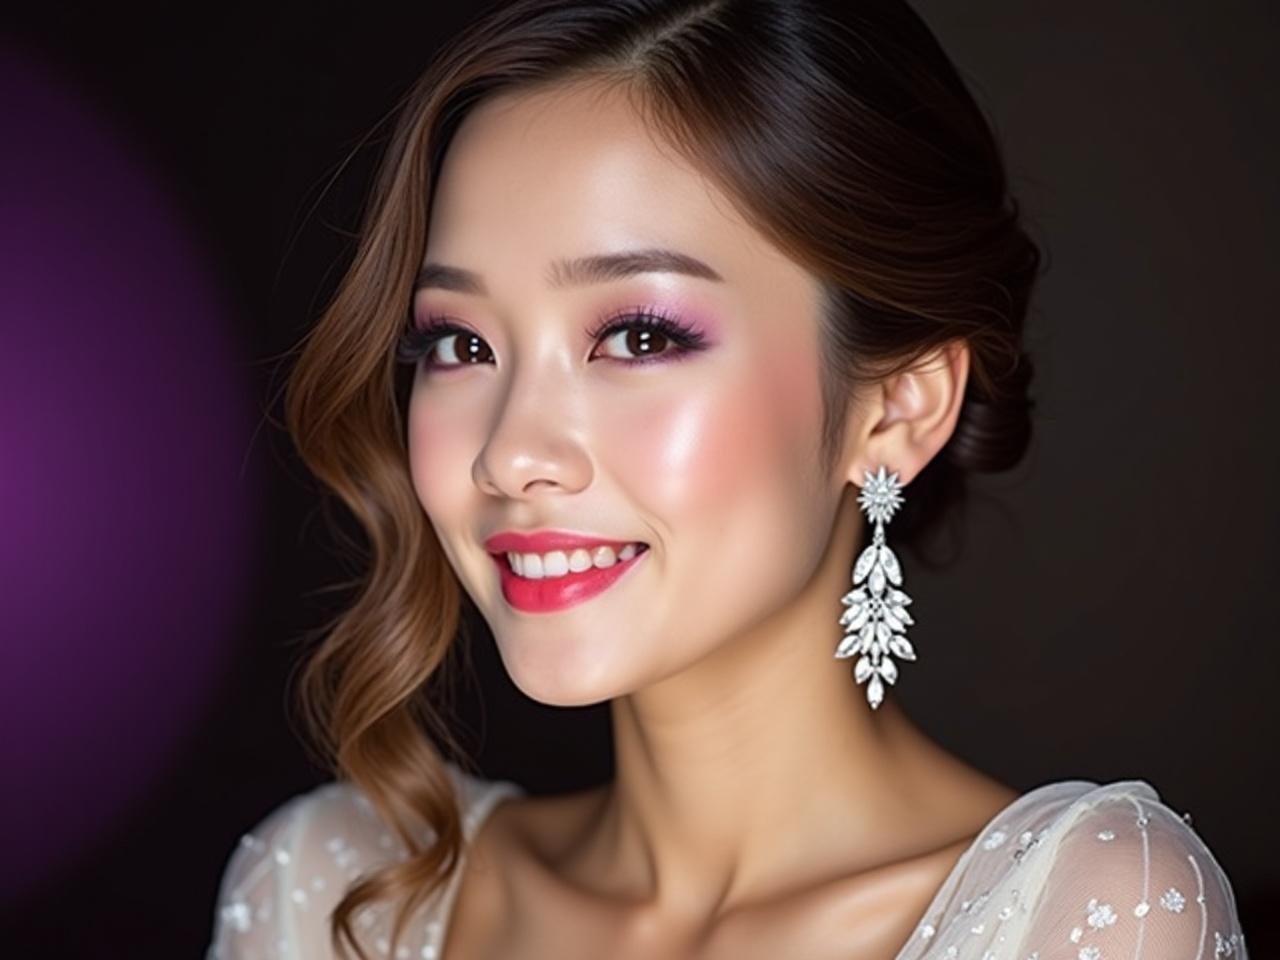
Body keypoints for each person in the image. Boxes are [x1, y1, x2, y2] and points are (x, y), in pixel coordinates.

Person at [205, 1, 1250, 958]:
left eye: (637, 334)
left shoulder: (1085, 911)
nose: (510, 453)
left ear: (896, 407)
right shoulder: (337, 891)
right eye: (459, 345)